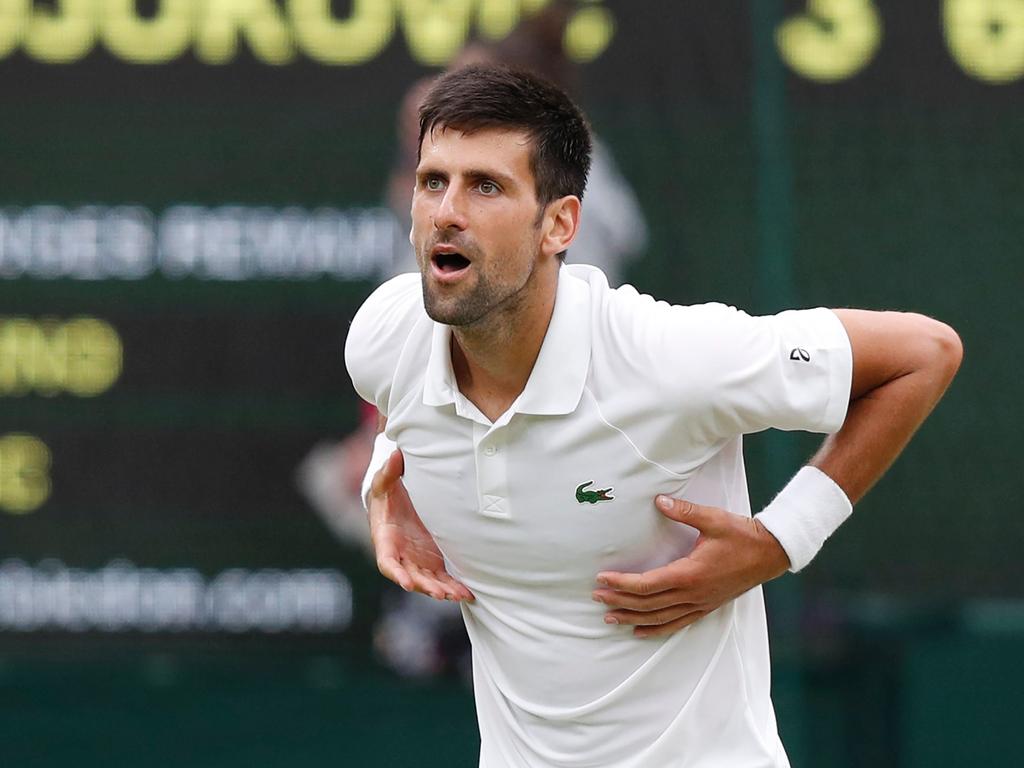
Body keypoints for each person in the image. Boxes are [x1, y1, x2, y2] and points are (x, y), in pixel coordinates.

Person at [344, 65, 962, 767]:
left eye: (486, 185)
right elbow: (412, 412)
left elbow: (925, 353)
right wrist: (384, 485)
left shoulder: (668, 358)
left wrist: (781, 540)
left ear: (559, 224)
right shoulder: (382, 339)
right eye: (434, 181)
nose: (446, 212)